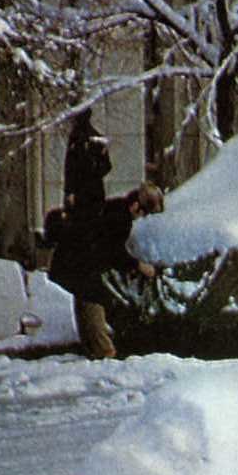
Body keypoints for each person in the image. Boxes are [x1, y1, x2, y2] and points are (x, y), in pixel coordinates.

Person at [60, 183, 164, 361]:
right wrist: (139, 266)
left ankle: (92, 350)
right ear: (136, 206)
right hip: (79, 260)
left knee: (86, 299)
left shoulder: (115, 207)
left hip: (72, 258)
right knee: (94, 298)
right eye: (143, 213)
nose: (141, 218)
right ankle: (104, 353)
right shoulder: (120, 217)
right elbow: (113, 252)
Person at [62, 108, 112, 218]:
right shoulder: (76, 138)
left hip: (87, 191)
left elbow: (70, 168)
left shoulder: (90, 139)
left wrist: (69, 191)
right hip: (86, 191)